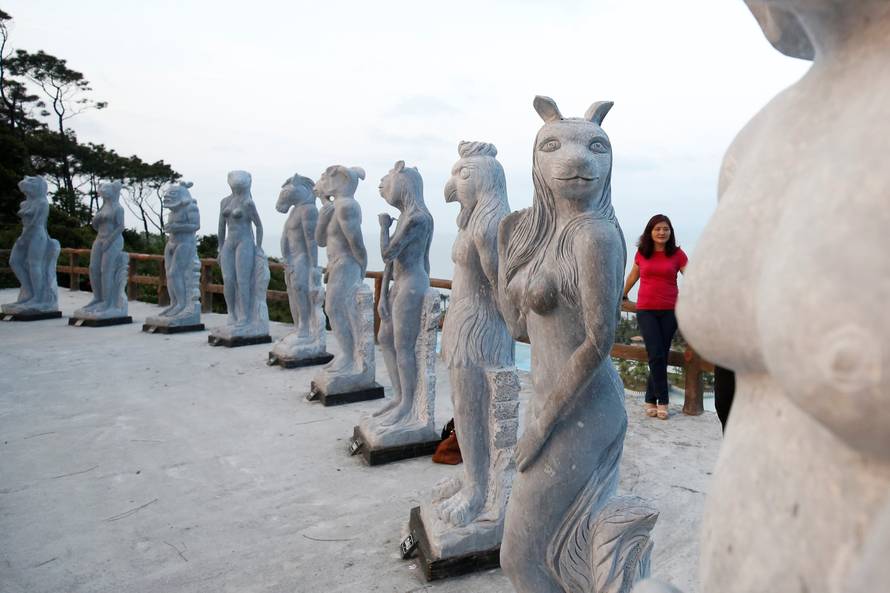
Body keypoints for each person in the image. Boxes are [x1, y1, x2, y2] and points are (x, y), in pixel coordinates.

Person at [622, 214, 687, 420]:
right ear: (650, 231)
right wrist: (622, 294)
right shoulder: (643, 253)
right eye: (658, 229)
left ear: (670, 232)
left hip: (670, 311)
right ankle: (664, 401)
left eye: (665, 229)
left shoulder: (677, 254)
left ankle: (650, 399)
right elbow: (634, 275)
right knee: (656, 354)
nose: (662, 232)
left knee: (659, 354)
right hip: (646, 310)